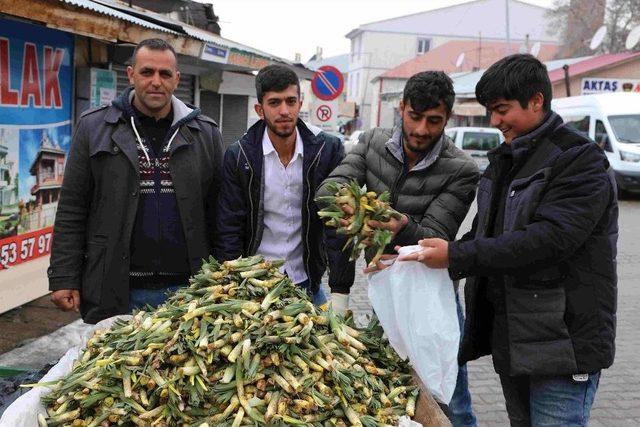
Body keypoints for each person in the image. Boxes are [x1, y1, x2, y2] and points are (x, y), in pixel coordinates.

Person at [398, 54, 618, 427]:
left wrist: (456, 255)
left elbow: (548, 240)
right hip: (516, 343)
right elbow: (483, 235)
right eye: (491, 111)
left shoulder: (580, 161)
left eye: (502, 110)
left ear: (536, 101)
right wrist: (414, 252)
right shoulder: (506, 161)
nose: (495, 122)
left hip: (563, 346)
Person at [316, 71, 480, 427]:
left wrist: (401, 225)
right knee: (393, 387)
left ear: (447, 118)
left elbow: (435, 235)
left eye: (433, 121)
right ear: (401, 108)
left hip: (430, 297)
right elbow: (329, 188)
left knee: (448, 397)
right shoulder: (373, 142)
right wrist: (351, 206)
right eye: (415, 117)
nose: (422, 129)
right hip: (385, 294)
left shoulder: (461, 169)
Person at [48, 38, 224, 323]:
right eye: (147, 72)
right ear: (130, 75)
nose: (156, 81)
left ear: (177, 79)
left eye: (165, 74)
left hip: (190, 293)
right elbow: (72, 209)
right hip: (118, 291)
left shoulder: (205, 133)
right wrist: (63, 275)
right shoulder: (94, 128)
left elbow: (220, 213)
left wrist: (223, 278)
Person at [214, 64, 352, 306]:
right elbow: (229, 226)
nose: (284, 111)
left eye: (290, 101)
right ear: (260, 109)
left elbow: (338, 225)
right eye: (275, 103)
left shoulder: (327, 150)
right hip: (257, 286)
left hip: (308, 282)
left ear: (300, 103)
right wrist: (233, 288)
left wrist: (340, 290)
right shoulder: (239, 156)